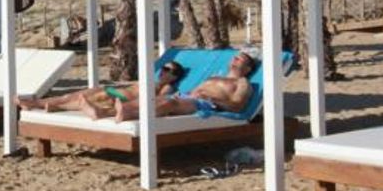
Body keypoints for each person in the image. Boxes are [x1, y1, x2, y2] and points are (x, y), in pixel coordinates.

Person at [114, 51, 256, 122]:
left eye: (239, 59)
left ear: (248, 68)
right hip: (188, 97)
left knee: (170, 103)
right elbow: (195, 91)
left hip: (206, 104)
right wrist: (188, 93)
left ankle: (129, 113)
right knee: (160, 99)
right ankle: (119, 109)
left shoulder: (243, 83)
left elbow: (237, 106)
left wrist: (211, 99)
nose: (234, 59)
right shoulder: (214, 76)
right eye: (234, 57)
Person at [18, 61, 185, 120]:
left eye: (167, 69)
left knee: (84, 98)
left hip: (120, 98)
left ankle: (36, 104)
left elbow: (158, 102)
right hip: (115, 91)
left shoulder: (167, 87)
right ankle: (37, 103)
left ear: (174, 76)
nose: (162, 71)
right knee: (72, 95)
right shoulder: (152, 80)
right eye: (163, 68)